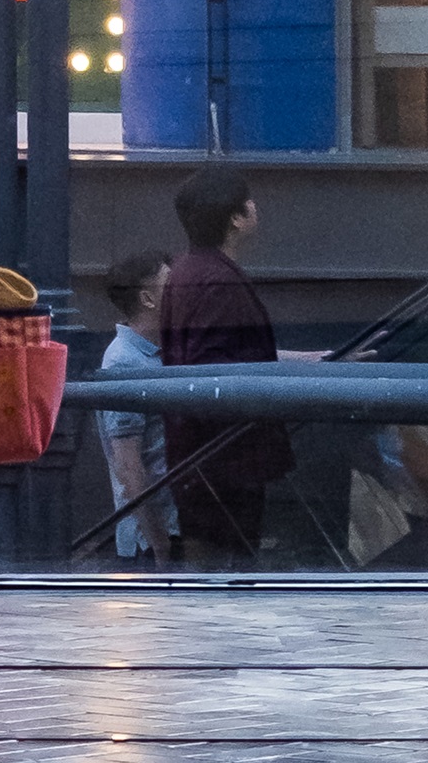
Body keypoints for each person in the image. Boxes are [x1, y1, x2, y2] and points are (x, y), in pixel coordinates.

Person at [157, 167, 293, 567]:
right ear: (235, 218)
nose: (255, 207)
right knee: (229, 567)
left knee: (213, 566)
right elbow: (214, 369)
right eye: (248, 201)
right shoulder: (219, 282)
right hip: (225, 462)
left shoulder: (186, 273)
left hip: (199, 458)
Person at [96, 251, 175, 559]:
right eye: (171, 286)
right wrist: (159, 543)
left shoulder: (165, 350)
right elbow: (128, 465)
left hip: (173, 522)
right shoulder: (123, 362)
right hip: (151, 538)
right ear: (148, 298)